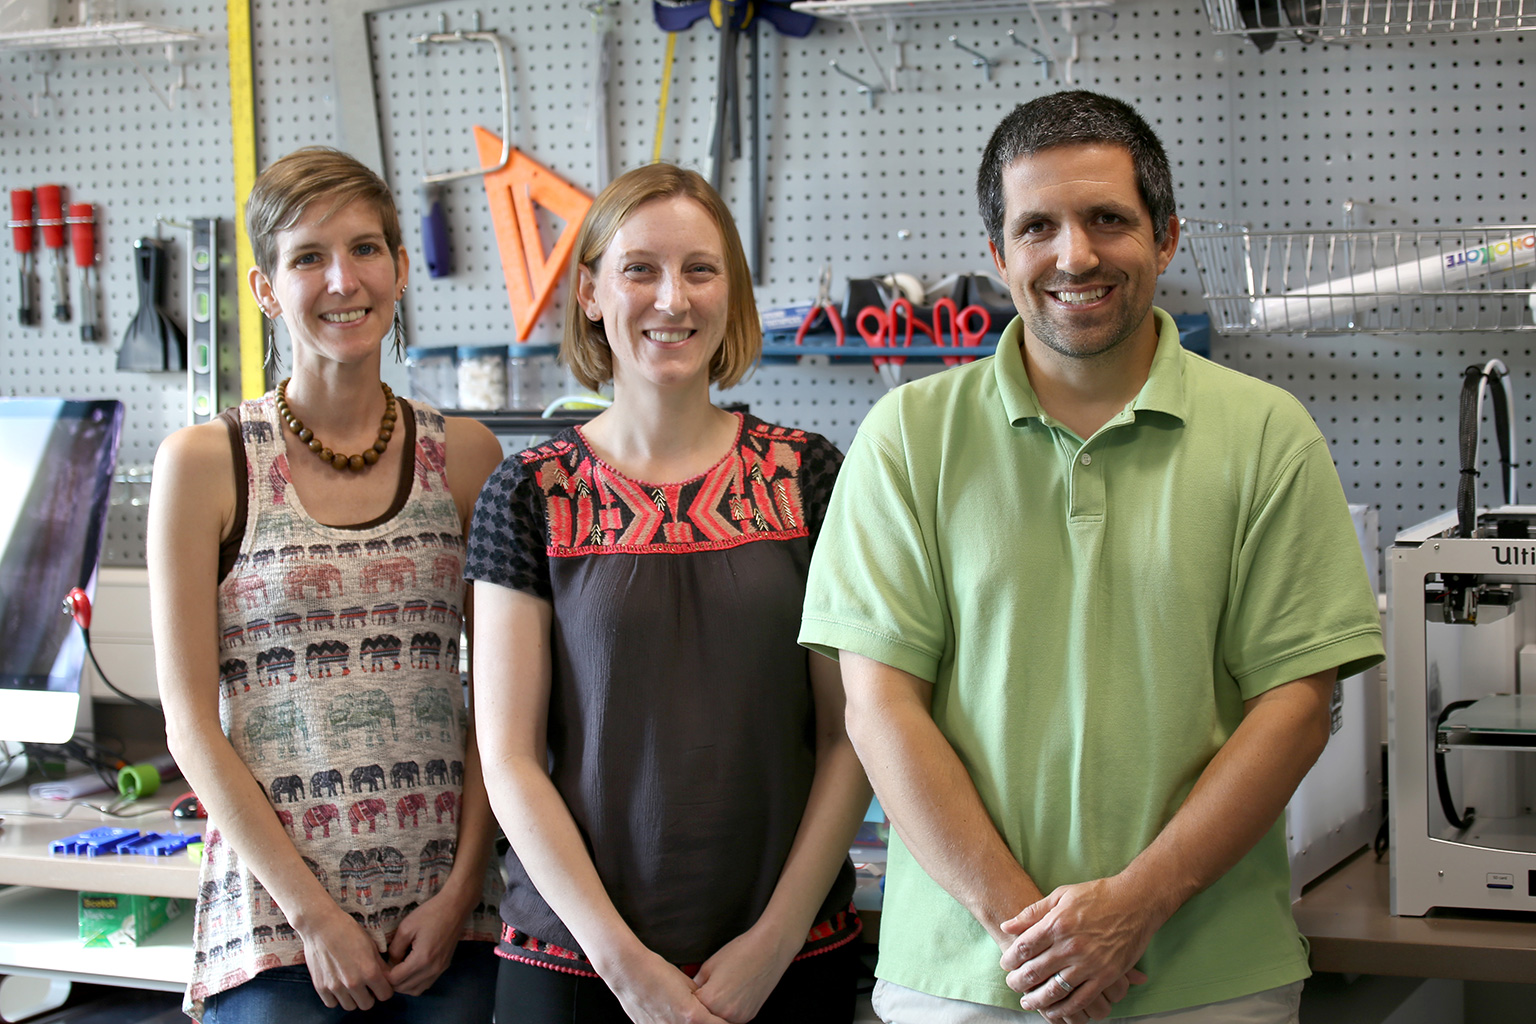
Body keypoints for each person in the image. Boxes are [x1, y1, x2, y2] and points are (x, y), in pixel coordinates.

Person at [799, 90, 1386, 1024]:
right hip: (964, 979)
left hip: (1209, 979)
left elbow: (1296, 707)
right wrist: (1032, 934)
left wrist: (1138, 905)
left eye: (1108, 219)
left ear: (1166, 238)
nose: (1074, 254)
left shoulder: (1269, 436)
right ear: (998, 256)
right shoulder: (907, 439)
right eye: (1038, 226)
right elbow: (878, 706)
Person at [466, 162, 871, 1024]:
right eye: (639, 268)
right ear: (588, 292)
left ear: (732, 291)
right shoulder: (527, 495)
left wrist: (773, 942)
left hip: (790, 959)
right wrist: (625, 968)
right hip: (573, 964)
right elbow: (507, 759)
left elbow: (850, 737)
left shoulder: (812, 477)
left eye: (700, 268)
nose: (671, 299)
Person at [149, 147, 506, 1023]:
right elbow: (191, 725)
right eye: (308, 257)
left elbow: (498, 707)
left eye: (366, 249)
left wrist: (462, 890)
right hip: (278, 933)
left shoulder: (465, 457)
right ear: (266, 288)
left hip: (446, 925)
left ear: (401, 267)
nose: (343, 280)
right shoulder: (205, 465)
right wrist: (315, 919)